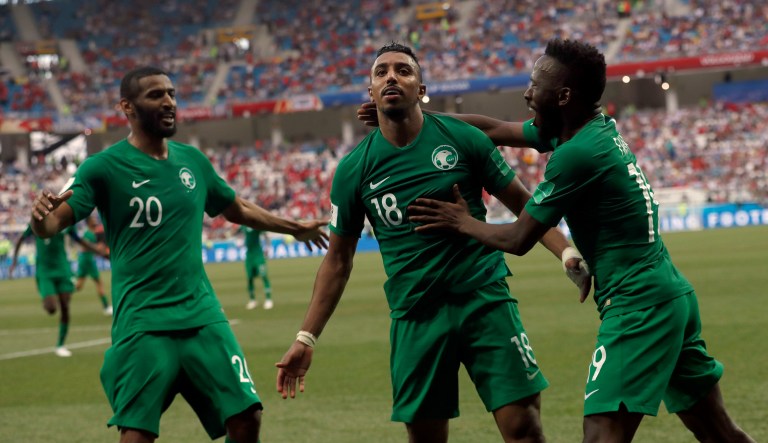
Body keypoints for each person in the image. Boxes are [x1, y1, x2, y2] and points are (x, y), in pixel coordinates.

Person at [405, 39, 755, 443]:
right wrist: (413, 114)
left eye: (535, 86)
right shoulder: (590, 130)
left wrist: (462, 221)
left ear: (564, 96)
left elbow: (519, 237)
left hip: (639, 306)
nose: (526, 93)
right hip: (669, 295)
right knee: (720, 434)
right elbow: (492, 129)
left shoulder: (577, 154)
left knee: (601, 434)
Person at [276, 43, 589, 443]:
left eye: (403, 71)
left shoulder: (463, 138)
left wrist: (566, 251)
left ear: (421, 88)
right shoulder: (353, 170)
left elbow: (526, 207)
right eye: (381, 72)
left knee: (525, 429)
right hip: (415, 316)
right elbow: (338, 260)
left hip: (484, 301)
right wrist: (306, 337)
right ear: (370, 93)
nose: (391, 77)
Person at [28, 66, 329, 443]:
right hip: (143, 322)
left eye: (171, 93)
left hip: (202, 315)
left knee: (248, 417)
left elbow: (236, 207)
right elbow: (53, 222)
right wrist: (39, 220)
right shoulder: (102, 167)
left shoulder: (193, 161)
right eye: (156, 95)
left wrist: (293, 227)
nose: (169, 101)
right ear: (128, 107)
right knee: (136, 435)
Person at [9, 224, 105, 357]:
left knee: (65, 306)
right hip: (45, 271)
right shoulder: (37, 220)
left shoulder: (66, 221)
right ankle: (45, 294)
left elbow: (78, 239)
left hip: (62, 268)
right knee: (51, 308)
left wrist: (97, 250)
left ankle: (60, 345)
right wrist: (14, 261)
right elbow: (21, 239)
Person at [75, 214, 112, 315]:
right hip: (87, 260)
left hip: (85, 259)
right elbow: (86, 247)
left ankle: (64, 287)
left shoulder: (90, 233)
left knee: (78, 286)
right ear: (89, 222)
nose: (95, 220)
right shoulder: (88, 234)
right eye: (93, 219)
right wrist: (98, 248)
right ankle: (106, 306)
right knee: (99, 282)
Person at [235, 225, 273, 310]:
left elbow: (266, 235)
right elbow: (237, 233)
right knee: (249, 278)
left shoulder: (256, 224)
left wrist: (268, 247)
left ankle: (268, 299)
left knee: (264, 276)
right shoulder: (243, 226)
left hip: (258, 255)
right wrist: (239, 240)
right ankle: (252, 300)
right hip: (249, 256)